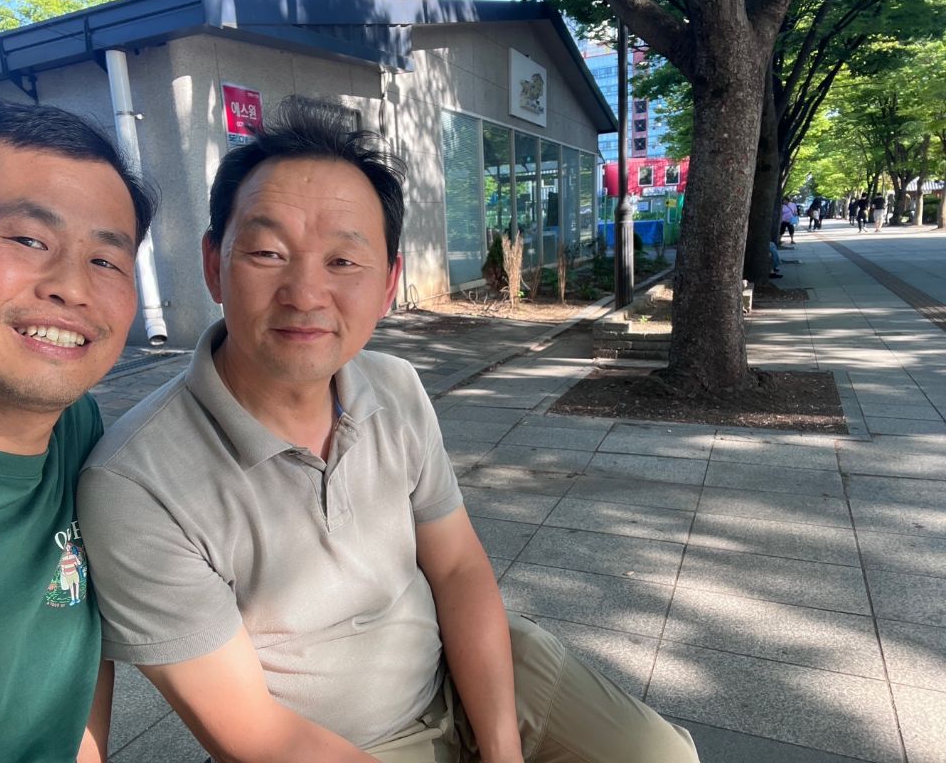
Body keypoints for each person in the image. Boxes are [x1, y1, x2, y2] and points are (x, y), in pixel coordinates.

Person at [78, 97, 700, 763]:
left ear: (388, 284)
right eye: (266, 252)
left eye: (344, 262)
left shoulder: (395, 386)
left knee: (660, 756)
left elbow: (457, 567)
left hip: (461, 670)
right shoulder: (136, 482)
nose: (305, 293)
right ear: (213, 265)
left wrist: (500, 748)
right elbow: (251, 732)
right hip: (331, 745)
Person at [0, 96, 156, 761]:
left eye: (106, 260)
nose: (71, 288)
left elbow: (73, 634)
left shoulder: (75, 423)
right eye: (28, 241)